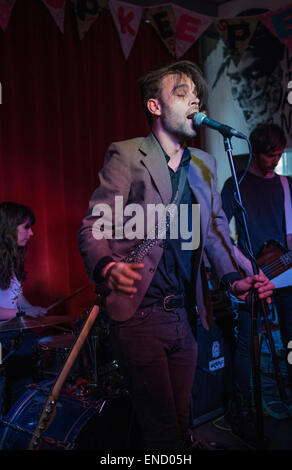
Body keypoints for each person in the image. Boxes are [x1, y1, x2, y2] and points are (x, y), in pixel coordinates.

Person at [78, 61, 274, 450]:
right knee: (163, 428)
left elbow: (217, 233)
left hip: (185, 314)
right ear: (155, 106)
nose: (194, 101)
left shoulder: (204, 163)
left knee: (182, 421)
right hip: (139, 314)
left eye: (196, 96)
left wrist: (234, 279)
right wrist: (107, 266)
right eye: (181, 93)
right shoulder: (127, 155)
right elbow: (93, 227)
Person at [221, 123, 292, 442]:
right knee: (247, 345)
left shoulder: (288, 186)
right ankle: (244, 409)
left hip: (287, 276)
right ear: (254, 152)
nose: (274, 161)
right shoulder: (233, 185)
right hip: (249, 276)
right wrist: (244, 265)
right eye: (268, 155)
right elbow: (218, 234)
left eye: (278, 154)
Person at [0, 201, 47, 409]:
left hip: (11, 333)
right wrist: (21, 313)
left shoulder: (11, 262)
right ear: (9, 228)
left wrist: (31, 309)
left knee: (41, 347)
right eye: (26, 227)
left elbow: (17, 298)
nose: (31, 233)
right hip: (2, 338)